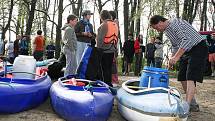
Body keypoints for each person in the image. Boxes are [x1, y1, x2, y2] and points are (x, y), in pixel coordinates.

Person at [150, 15, 208, 112]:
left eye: (156, 28)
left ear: (160, 22)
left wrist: (176, 57)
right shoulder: (167, 31)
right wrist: (172, 58)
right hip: (187, 50)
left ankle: (186, 106)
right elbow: (175, 46)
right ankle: (193, 104)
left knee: (190, 76)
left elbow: (186, 40)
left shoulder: (175, 23)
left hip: (198, 47)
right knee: (182, 76)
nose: (157, 30)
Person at [97, 10, 118, 87]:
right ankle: (109, 84)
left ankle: (104, 85)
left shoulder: (104, 25)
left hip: (104, 50)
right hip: (112, 49)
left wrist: (98, 50)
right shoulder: (115, 25)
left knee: (103, 69)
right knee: (109, 69)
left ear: (101, 17)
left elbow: (100, 39)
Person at [109, 10, 119, 87]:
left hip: (112, 47)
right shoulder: (113, 23)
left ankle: (114, 80)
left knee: (112, 63)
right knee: (111, 63)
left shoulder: (114, 23)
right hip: (111, 46)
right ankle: (112, 80)